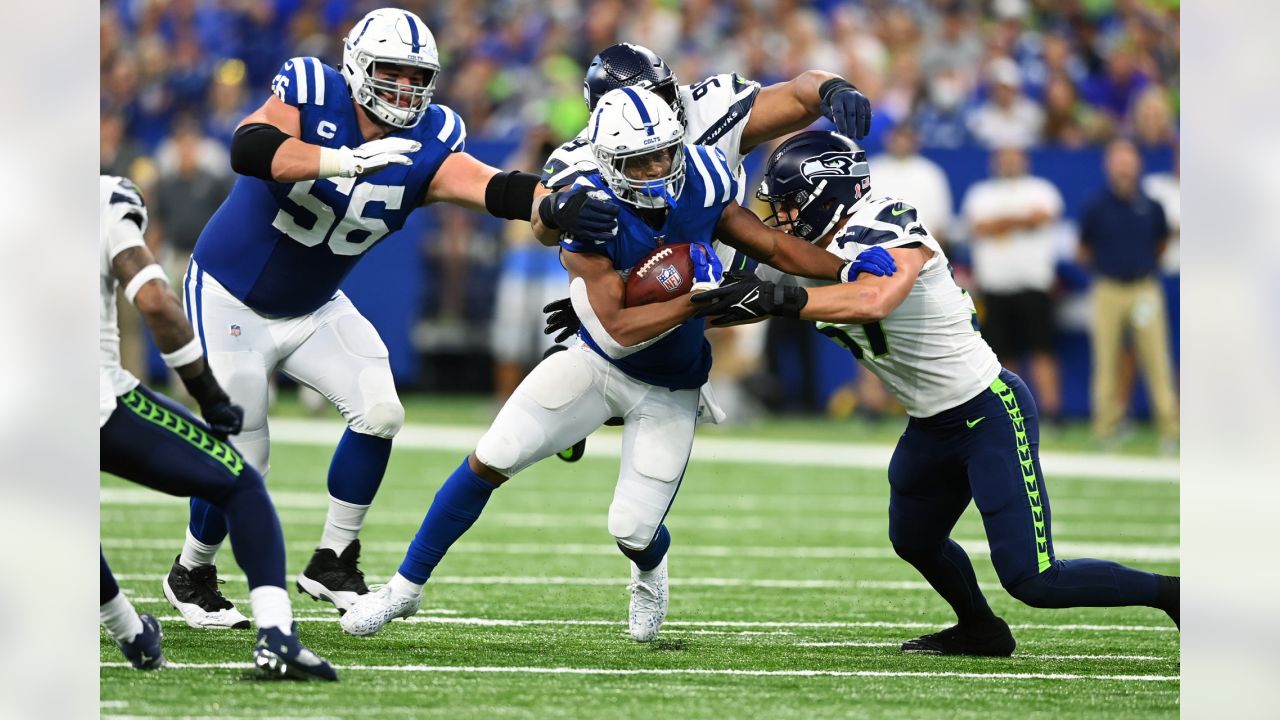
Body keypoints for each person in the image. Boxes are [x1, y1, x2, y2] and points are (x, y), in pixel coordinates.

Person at [339, 87, 868, 642]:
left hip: (671, 383)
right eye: (640, 160)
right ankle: (402, 591)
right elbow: (617, 327)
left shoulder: (705, 177)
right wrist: (701, 298)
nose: (658, 167)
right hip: (598, 361)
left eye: (664, 152)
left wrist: (846, 271)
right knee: (492, 455)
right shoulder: (588, 205)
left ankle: (649, 569)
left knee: (633, 529)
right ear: (609, 162)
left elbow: (774, 249)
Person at [164, 7, 616, 626]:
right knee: (245, 447)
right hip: (228, 294)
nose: (403, 89)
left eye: (415, 76)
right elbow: (250, 147)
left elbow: (493, 187)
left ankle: (334, 559)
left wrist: (557, 202)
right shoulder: (311, 88)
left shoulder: (432, 134)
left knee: (380, 410)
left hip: (312, 304)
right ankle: (191, 571)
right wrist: (341, 162)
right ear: (356, 65)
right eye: (390, 72)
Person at [690, 131, 1179, 655]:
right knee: (915, 538)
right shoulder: (808, 249)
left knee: (1035, 580)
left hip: (987, 409)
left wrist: (779, 298)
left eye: (788, 203)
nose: (781, 216)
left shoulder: (886, 218)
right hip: (930, 421)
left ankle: (1174, 594)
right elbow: (734, 292)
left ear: (826, 191)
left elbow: (875, 298)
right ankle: (981, 629)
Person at [540, 41, 872, 458]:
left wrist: (832, 88)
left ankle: (591, 369)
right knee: (639, 341)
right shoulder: (583, 153)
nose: (657, 115)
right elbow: (540, 216)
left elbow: (796, 93)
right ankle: (589, 373)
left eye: (660, 96)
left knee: (786, 288)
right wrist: (554, 211)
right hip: (644, 276)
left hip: (726, 252)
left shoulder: (708, 107)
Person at [98, 175, 336, 681]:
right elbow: (157, 302)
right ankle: (277, 638)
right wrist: (206, 390)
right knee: (241, 482)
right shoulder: (103, 197)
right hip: (91, 401)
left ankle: (133, 635)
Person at [1079, 138, 1178, 450]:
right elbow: (1083, 250)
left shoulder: (1152, 205)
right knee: (1105, 360)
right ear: (1108, 165)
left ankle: (1170, 431)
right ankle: (1106, 429)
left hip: (1144, 288)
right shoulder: (1095, 206)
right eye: (1117, 159)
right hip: (1107, 288)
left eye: (1128, 159)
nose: (1123, 166)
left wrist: (1140, 268)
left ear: (1138, 164)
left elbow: (1161, 245)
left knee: (1157, 359)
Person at [958, 146, 1064, 423]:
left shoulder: (1041, 189)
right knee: (1002, 356)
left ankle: (1052, 413)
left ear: (1025, 160)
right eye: (1003, 157)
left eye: (1014, 157)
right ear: (994, 162)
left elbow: (1043, 216)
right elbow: (978, 227)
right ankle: (1012, 413)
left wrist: (1001, 222)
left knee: (1042, 350)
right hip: (995, 287)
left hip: (1034, 284)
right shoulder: (980, 193)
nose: (1009, 162)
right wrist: (1020, 220)